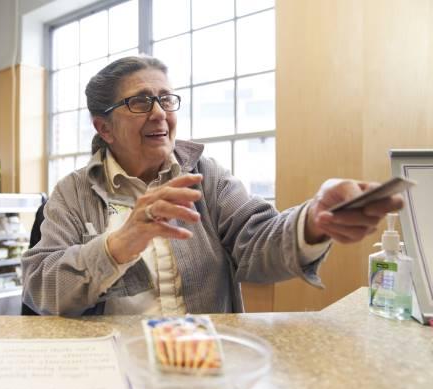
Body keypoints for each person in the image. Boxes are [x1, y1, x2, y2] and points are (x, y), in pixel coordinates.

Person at [22, 56, 403, 316]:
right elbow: (41, 289)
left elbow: (259, 239)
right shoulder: (71, 193)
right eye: (140, 102)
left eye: (165, 100)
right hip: (110, 365)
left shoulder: (207, 177)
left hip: (200, 362)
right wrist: (121, 243)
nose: (159, 113)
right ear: (103, 127)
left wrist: (313, 220)